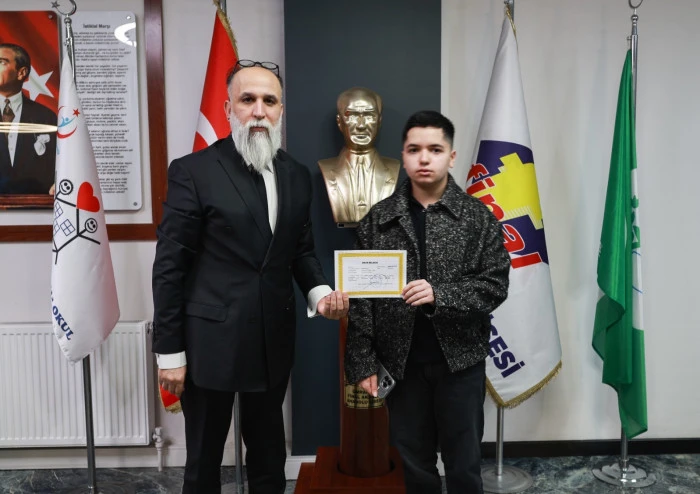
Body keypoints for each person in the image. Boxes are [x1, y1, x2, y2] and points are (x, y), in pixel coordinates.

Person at [152, 60, 349, 494]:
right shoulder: (193, 171)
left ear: (280, 110)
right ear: (228, 109)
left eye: (269, 101)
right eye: (248, 100)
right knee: (203, 462)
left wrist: (320, 294)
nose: (259, 111)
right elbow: (169, 267)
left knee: (269, 457)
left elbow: (300, 251)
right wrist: (169, 353)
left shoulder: (297, 174)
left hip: (272, 341)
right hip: (209, 346)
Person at [344, 110, 511, 493]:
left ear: (451, 157)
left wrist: (441, 294)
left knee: (464, 463)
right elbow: (362, 301)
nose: (424, 158)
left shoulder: (477, 218)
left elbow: (495, 285)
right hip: (401, 366)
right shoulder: (379, 220)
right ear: (403, 156)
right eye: (414, 149)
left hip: (460, 363)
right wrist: (363, 362)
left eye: (435, 149)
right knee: (413, 464)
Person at [318, 87, 400, 225]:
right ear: (339, 122)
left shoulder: (393, 167)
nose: (361, 125)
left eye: (369, 116)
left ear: (379, 121)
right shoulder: (326, 167)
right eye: (352, 116)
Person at [0, 43, 56, 194]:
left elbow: (61, 162)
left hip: (36, 203)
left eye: (1, 62)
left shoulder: (46, 117)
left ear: (21, 73)